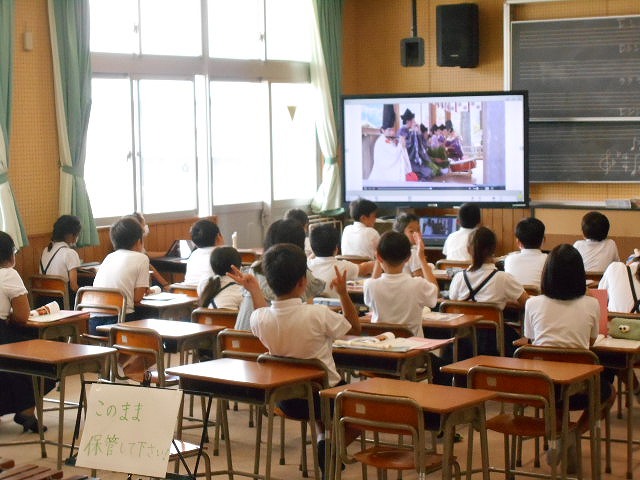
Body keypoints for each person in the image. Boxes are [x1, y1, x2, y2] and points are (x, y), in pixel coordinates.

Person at [229, 243, 360, 478]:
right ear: (303, 281)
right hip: (326, 398)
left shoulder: (260, 319)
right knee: (363, 409)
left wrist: (254, 290)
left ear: (268, 282)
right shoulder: (317, 315)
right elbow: (354, 328)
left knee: (318, 394)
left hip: (285, 399)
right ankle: (331, 446)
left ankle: (324, 438)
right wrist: (343, 294)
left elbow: (262, 313)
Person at [515, 244, 614, 472]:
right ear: (580, 275)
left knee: (556, 390)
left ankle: (560, 436)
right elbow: (589, 345)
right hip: (580, 387)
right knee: (608, 391)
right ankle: (574, 434)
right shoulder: (591, 304)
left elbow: (530, 342)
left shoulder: (532, 303)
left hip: (541, 388)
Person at [0, 231, 54, 432]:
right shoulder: (8, 274)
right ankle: (26, 411)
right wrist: (9, 316)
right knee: (39, 358)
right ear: (10, 255)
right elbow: (23, 316)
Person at [448, 226, 527, 357]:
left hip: (463, 342)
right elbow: (527, 303)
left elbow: (453, 305)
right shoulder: (503, 278)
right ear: (493, 249)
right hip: (493, 341)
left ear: (468, 250)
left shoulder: (458, 278)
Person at [234, 219, 325, 330]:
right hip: (268, 340)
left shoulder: (254, 269)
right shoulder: (300, 274)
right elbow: (307, 319)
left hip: (238, 338)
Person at [364, 231, 438, 337]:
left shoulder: (370, 285)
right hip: (413, 348)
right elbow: (434, 291)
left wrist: (377, 259)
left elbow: (373, 282)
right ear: (408, 257)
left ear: (379, 257)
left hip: (381, 348)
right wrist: (421, 258)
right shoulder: (417, 284)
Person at [92, 216, 150, 333]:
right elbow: (137, 298)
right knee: (148, 317)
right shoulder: (142, 258)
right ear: (139, 241)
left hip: (93, 323)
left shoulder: (109, 257)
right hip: (120, 321)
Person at [307, 224, 373, 298]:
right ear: (336, 249)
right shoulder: (343, 266)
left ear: (312, 249)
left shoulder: (306, 265)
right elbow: (366, 268)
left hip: (309, 308)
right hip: (335, 309)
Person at [39, 215, 82, 306]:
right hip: (63, 302)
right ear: (71, 235)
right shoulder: (69, 253)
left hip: (44, 301)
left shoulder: (46, 250)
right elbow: (74, 287)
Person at [368, 104, 411, 182]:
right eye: (389, 130)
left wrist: (398, 143)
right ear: (383, 130)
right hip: (383, 175)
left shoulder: (388, 139)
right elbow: (393, 155)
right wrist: (401, 144)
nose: (392, 132)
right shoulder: (381, 141)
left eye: (393, 129)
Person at [503, 217, 548, 288]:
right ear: (544, 240)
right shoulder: (549, 260)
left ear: (518, 242)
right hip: (540, 298)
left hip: (514, 299)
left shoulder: (509, 259)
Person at [132, 212, 170, 290]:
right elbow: (149, 266)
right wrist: (165, 284)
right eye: (144, 224)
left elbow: (146, 254)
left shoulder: (138, 243)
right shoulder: (135, 244)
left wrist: (166, 253)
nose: (146, 227)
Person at [397, 109, 434, 181]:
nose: (415, 122)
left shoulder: (414, 131)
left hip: (416, 161)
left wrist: (419, 132)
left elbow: (423, 145)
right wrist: (412, 133)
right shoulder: (402, 130)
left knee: (430, 172)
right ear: (408, 121)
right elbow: (405, 146)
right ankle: (417, 177)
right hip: (407, 161)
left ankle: (418, 176)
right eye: (413, 121)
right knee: (426, 174)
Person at [184, 219, 224, 284]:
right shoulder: (221, 255)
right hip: (211, 293)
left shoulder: (193, 255)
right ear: (218, 237)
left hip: (189, 292)